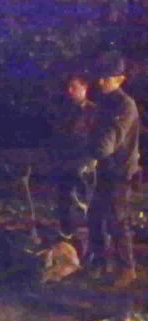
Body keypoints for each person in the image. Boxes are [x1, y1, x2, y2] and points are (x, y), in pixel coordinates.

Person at [79, 51, 141, 288]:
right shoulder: (106, 103)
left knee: (117, 219)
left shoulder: (125, 105)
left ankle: (127, 268)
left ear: (120, 79)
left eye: (107, 77)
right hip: (106, 169)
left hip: (120, 172)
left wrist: (91, 148)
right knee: (95, 216)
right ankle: (101, 262)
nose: (101, 81)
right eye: (100, 76)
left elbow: (106, 143)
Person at [50, 74, 97, 238]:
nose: (70, 91)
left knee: (83, 200)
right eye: (69, 87)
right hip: (65, 162)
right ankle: (67, 234)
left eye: (74, 87)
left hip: (84, 163)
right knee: (65, 201)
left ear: (85, 88)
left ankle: (86, 234)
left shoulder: (93, 111)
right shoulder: (64, 110)